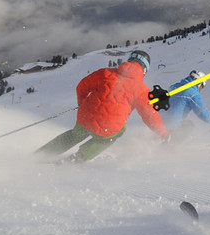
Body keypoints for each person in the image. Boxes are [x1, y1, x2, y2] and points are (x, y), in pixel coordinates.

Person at [35, 50, 171, 163]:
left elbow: (82, 86)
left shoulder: (104, 73)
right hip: (108, 128)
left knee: (73, 135)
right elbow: (150, 116)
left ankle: (40, 155)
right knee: (117, 132)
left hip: (85, 118)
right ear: (145, 70)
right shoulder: (141, 90)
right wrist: (163, 134)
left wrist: (82, 102)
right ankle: (79, 157)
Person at [161, 70, 210, 136]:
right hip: (172, 126)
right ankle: (173, 144)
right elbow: (202, 112)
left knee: (185, 123)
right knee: (189, 125)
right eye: (202, 87)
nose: (201, 89)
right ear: (200, 84)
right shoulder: (192, 93)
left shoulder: (174, 87)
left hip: (159, 123)